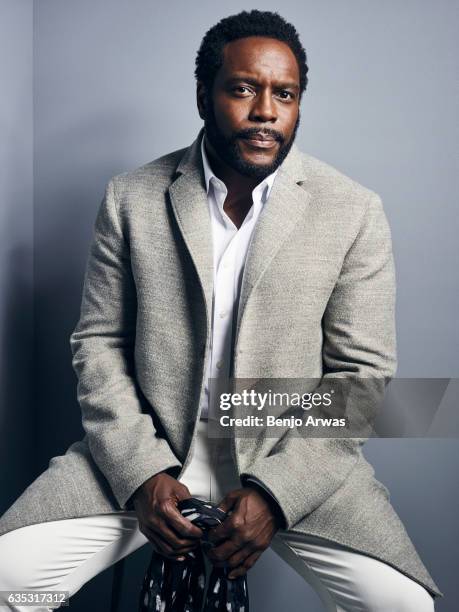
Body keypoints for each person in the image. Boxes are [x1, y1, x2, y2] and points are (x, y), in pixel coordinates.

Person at [0, 10, 441, 611]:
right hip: (148, 450)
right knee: (8, 579)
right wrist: (143, 473)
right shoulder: (132, 196)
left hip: (289, 454)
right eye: (243, 89)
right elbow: (98, 343)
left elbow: (360, 381)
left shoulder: (352, 211)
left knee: (402, 605)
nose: (265, 111)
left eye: (284, 94)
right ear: (204, 96)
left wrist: (276, 494)